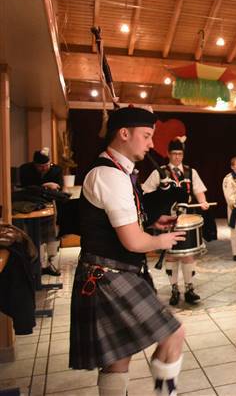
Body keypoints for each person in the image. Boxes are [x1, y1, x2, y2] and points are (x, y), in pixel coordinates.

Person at [69, 106, 186, 396]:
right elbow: (133, 242)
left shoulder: (117, 171)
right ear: (124, 133)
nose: (151, 144)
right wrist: (161, 241)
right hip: (108, 276)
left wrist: (151, 224)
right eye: (146, 136)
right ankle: (166, 392)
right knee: (173, 334)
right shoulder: (109, 175)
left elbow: (120, 225)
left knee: (118, 359)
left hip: (106, 272)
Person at [142, 137, 209, 306]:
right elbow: (146, 194)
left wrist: (203, 201)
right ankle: (174, 289)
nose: (177, 157)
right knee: (171, 256)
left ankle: (189, 289)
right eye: (174, 154)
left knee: (188, 255)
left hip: (186, 220)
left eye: (180, 154)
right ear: (168, 154)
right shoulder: (159, 172)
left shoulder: (190, 172)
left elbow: (199, 190)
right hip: (167, 220)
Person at [19, 147, 64, 276]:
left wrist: (53, 187)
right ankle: (35, 265)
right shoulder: (25, 169)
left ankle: (49, 263)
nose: (44, 168)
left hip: (49, 204)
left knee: (51, 235)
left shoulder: (56, 169)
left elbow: (59, 186)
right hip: (30, 204)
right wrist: (45, 186)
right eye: (40, 166)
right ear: (34, 164)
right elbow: (25, 187)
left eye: (46, 165)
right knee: (32, 235)